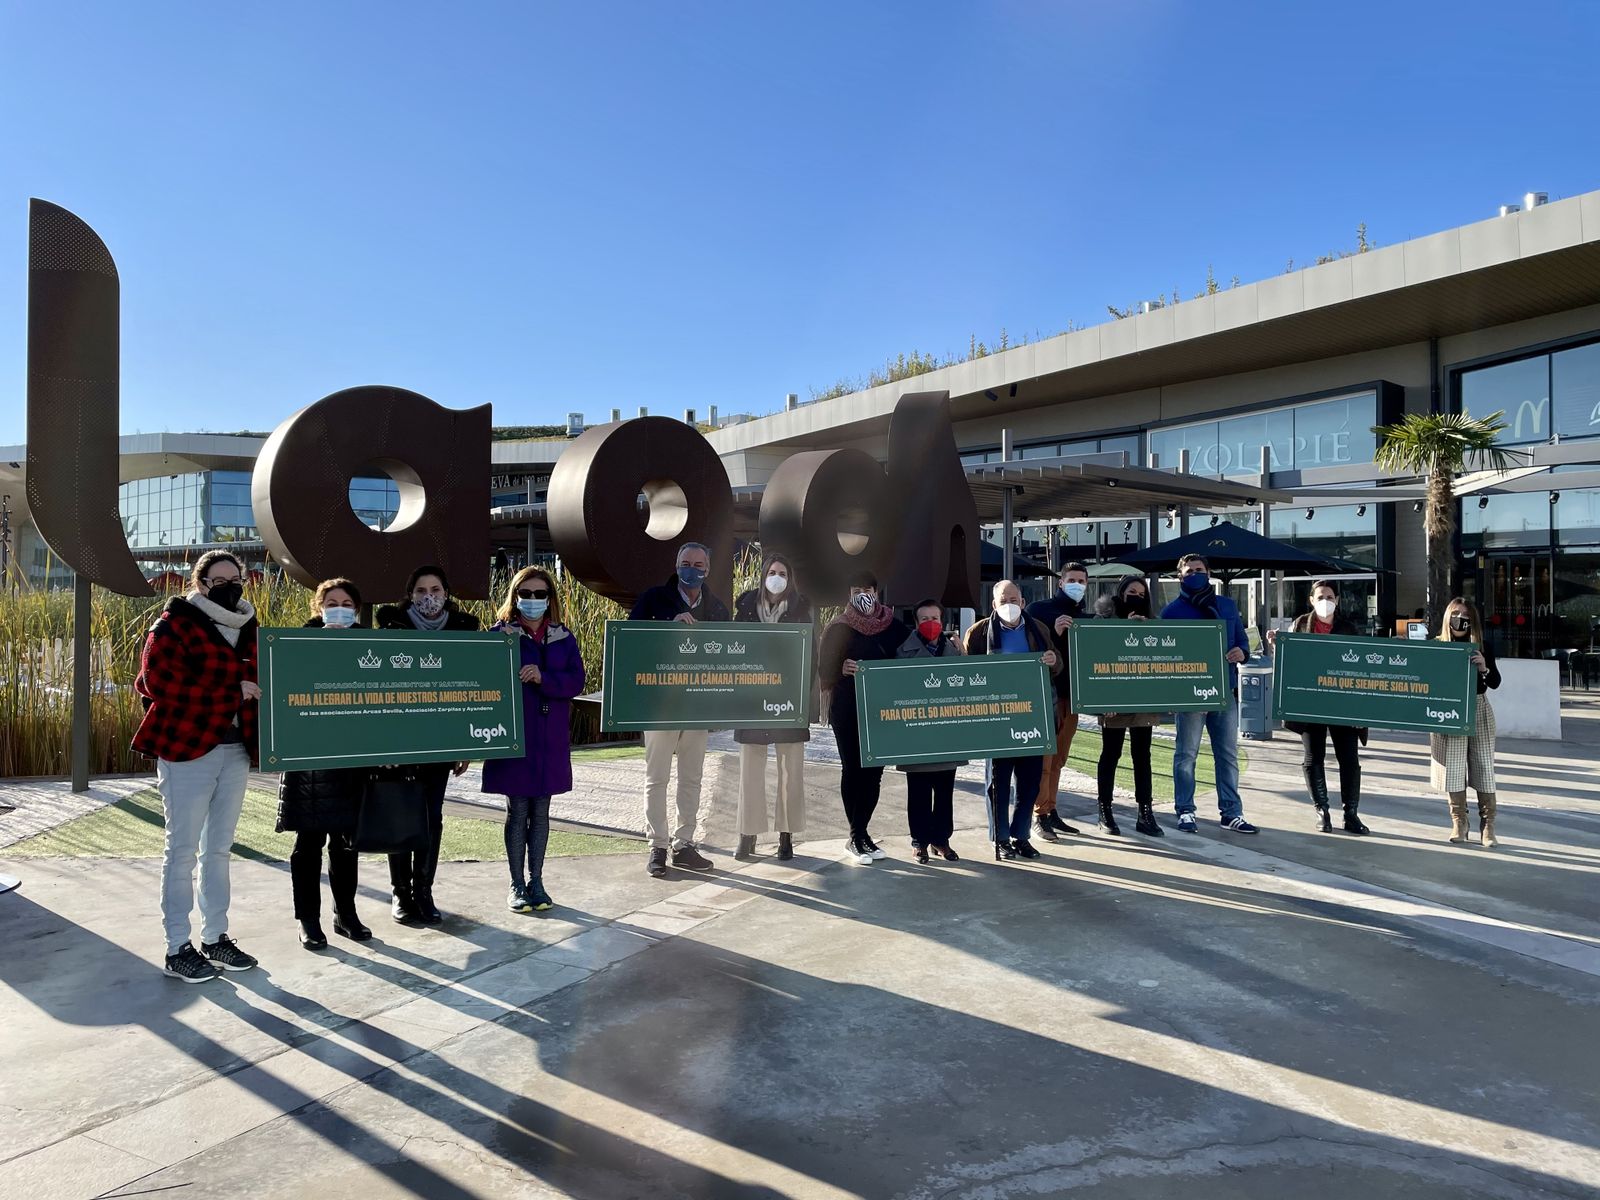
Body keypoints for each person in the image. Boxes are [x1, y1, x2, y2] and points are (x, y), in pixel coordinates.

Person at [133, 550, 261, 983]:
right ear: (200, 583)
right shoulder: (172, 624)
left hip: (235, 749)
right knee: (182, 850)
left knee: (219, 849)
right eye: (218, 579)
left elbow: (264, 682)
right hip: (187, 749)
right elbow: (158, 683)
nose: (229, 585)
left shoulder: (248, 625)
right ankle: (176, 947)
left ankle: (216, 937)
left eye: (235, 578)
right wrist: (232, 693)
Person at [375, 565, 477, 923]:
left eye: (435, 589)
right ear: (410, 594)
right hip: (400, 740)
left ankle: (424, 892)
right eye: (420, 590)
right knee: (401, 814)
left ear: (446, 592)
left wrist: (465, 743)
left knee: (432, 817)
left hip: (442, 741)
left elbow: (473, 689)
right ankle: (401, 894)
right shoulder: (390, 626)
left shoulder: (466, 630)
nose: (428, 597)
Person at [483, 566, 586, 912]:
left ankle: (537, 881)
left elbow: (576, 681)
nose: (532, 600)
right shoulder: (501, 635)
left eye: (539, 594)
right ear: (515, 597)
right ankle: (516, 884)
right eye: (525, 594)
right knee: (517, 810)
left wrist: (544, 677)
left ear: (550, 599)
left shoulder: (563, 636)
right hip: (516, 736)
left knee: (541, 810)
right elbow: (485, 683)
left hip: (550, 738)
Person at [276, 579, 373, 949]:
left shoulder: (371, 644)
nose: (340, 608)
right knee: (309, 842)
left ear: (357, 608)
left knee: (347, 843)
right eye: (332, 602)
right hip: (310, 763)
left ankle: (345, 915)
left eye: (348, 602)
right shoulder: (295, 644)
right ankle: (308, 920)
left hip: (353, 761)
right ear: (319, 607)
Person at [629, 541, 729, 877]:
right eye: (686, 563)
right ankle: (657, 845)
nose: (693, 569)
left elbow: (726, 656)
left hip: (697, 706)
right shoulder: (653, 599)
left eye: (699, 564)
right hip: (660, 705)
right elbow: (631, 641)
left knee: (692, 778)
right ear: (676, 565)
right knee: (656, 778)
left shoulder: (717, 609)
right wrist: (668, 628)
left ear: (708, 569)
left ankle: (684, 844)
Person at [963, 579, 1061, 860]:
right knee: (998, 782)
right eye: (1003, 600)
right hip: (997, 720)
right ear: (993, 605)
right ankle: (1001, 837)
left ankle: (1021, 835)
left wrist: (1054, 661)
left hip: (1032, 717)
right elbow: (967, 673)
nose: (1009, 605)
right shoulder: (979, 633)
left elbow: (1058, 665)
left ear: (1022, 602)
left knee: (1030, 782)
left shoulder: (1038, 629)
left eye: (1014, 599)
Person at [818, 570, 909, 865]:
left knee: (874, 773)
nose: (862, 594)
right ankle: (856, 836)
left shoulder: (894, 627)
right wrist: (840, 669)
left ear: (876, 592)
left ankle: (861, 833)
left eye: (867, 589)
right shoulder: (838, 628)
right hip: (847, 710)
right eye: (856, 589)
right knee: (853, 769)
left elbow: (913, 658)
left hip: (882, 711)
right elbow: (823, 672)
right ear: (849, 594)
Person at [1266, 581, 1370, 835]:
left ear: (1338, 600)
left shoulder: (1349, 627)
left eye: (1330, 596)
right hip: (1310, 703)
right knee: (1314, 758)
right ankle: (1322, 810)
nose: (1326, 600)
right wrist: (1278, 646)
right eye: (1321, 596)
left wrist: (1362, 708)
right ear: (1311, 600)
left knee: (1349, 759)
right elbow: (1290, 664)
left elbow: (1364, 665)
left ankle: (1351, 813)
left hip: (1343, 705)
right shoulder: (1299, 625)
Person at [1162, 554, 1254, 834]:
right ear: (1180, 577)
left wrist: (1243, 653)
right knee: (1186, 755)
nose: (1194, 574)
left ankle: (1231, 812)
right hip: (1190, 697)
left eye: (1199, 570)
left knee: (1227, 754)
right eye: (1189, 571)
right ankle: (1186, 811)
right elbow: (1166, 658)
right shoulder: (1171, 612)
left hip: (1224, 692)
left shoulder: (1226, 605)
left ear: (1208, 572)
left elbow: (1241, 640)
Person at [732, 553, 813, 862]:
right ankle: (747, 833)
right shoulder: (745, 607)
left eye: (782, 572)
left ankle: (786, 835)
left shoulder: (801, 609)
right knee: (750, 770)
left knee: (790, 771)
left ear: (789, 579)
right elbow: (734, 648)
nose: (776, 577)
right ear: (764, 574)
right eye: (772, 571)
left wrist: (800, 696)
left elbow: (810, 654)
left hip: (788, 700)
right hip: (752, 699)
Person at [1091, 576, 1164, 837]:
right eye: (1131, 591)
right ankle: (1105, 810)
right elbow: (1094, 658)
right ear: (1121, 594)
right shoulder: (1103, 621)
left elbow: (1162, 661)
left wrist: (1146, 631)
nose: (1136, 596)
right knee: (1111, 754)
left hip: (1144, 701)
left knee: (1142, 756)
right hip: (1114, 701)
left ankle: (1145, 812)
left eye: (1141, 593)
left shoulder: (1153, 622)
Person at [895, 599, 966, 863]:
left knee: (945, 791)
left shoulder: (954, 651)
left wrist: (964, 653)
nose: (930, 624)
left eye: (935, 619)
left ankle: (941, 840)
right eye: (924, 619)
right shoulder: (903, 651)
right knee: (919, 791)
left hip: (947, 734)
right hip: (917, 734)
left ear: (943, 621)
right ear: (916, 623)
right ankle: (919, 841)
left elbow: (969, 685)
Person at [1025, 561, 1090, 843]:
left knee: (1060, 759)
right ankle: (1038, 814)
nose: (1078, 585)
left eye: (1082, 581)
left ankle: (1051, 809)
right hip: (1046, 698)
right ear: (1061, 582)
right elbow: (1027, 649)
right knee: (1044, 760)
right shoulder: (1039, 611)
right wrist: (1054, 633)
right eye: (1072, 579)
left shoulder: (1087, 617)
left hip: (1072, 698)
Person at [1429, 598, 1501, 847]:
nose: (1461, 618)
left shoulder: (1482, 646)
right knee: (1454, 768)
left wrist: (1484, 667)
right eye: (1456, 613)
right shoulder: (1437, 646)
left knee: (1483, 766)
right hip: (1449, 711)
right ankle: (1459, 821)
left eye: (1466, 615)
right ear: (1448, 616)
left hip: (1478, 707)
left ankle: (1488, 824)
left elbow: (1495, 683)